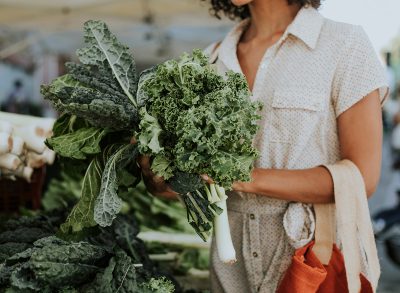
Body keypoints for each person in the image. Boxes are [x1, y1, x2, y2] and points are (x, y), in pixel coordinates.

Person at [139, 0, 389, 292]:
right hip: (231, 275)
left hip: (314, 264)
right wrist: (161, 179)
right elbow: (191, 186)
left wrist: (243, 178)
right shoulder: (210, 60)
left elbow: (362, 178)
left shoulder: (344, 45)